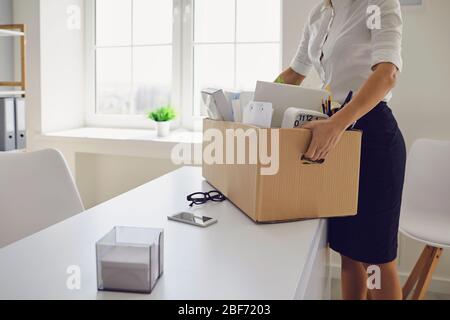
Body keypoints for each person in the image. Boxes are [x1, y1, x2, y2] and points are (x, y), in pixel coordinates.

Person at [276, 0, 406, 300]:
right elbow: (295, 72)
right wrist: (251, 100)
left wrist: (337, 124)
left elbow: (387, 73)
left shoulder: (377, 3)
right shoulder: (320, 13)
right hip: (336, 135)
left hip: (372, 136)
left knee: (374, 258)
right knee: (348, 251)